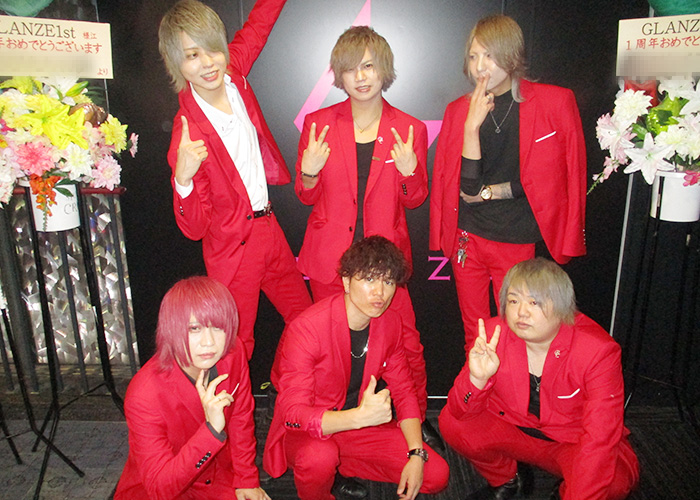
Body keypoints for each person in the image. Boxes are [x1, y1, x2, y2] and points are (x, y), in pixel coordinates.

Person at [292, 25, 438, 449]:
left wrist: (410, 171)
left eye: (369, 66)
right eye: (351, 68)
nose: (360, 76)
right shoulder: (319, 124)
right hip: (330, 262)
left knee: (407, 344)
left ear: (383, 70)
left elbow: (415, 199)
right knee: (330, 350)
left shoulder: (408, 128)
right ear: (339, 74)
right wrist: (309, 172)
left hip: (385, 263)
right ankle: (333, 429)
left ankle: (416, 418)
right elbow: (305, 195)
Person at [158, 0, 311, 360]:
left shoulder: (233, 72)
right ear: (177, 63)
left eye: (212, 49)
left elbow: (258, 26)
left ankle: (289, 387)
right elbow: (195, 228)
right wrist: (183, 179)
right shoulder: (187, 136)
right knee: (236, 345)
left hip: (269, 228)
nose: (207, 63)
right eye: (192, 55)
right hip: (232, 247)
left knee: (306, 321)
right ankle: (231, 401)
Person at [429, 14, 586, 350]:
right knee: (474, 331)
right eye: (473, 56)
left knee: (517, 331)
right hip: (468, 238)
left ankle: (512, 387)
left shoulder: (554, 102)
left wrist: (493, 192)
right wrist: (472, 127)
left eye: (489, 55)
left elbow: (561, 176)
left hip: (517, 240)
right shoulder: (459, 110)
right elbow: (468, 189)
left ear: (511, 54)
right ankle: (477, 385)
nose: (479, 66)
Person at [263, 236, 449, 500]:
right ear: (346, 281)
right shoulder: (307, 329)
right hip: (310, 433)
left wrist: (416, 452)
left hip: (356, 430)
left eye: (388, 282)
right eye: (369, 279)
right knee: (319, 458)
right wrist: (359, 417)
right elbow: (293, 415)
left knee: (436, 475)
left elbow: (404, 391)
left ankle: (340, 465)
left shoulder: (390, 323)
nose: (380, 292)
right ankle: (324, 475)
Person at [439, 259, 639, 500]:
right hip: (514, 431)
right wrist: (476, 380)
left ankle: (565, 491)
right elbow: (459, 410)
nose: (521, 312)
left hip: (571, 443)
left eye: (535, 302)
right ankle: (508, 480)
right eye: (513, 301)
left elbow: (600, 436)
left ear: (563, 306)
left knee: (615, 482)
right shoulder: (493, 334)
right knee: (452, 423)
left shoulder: (597, 351)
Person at [114, 276, 268, 500]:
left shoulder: (234, 354)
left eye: (218, 327)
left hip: (216, 476)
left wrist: (247, 479)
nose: (209, 342)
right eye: (194, 329)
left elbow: (241, 419)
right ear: (172, 329)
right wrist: (211, 430)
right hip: (163, 487)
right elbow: (160, 488)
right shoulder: (144, 394)